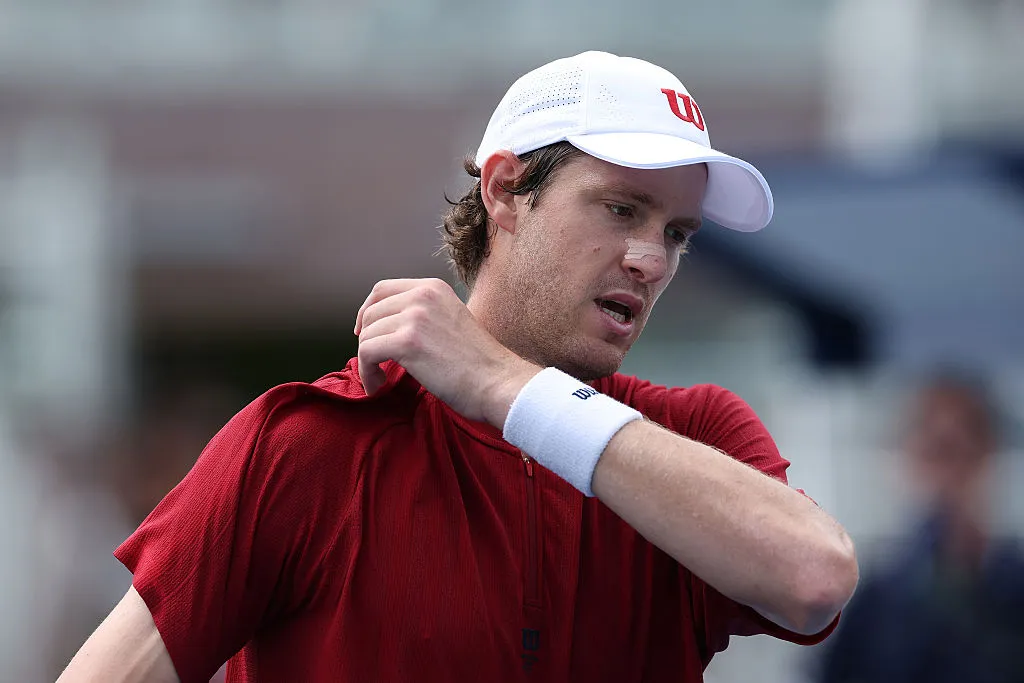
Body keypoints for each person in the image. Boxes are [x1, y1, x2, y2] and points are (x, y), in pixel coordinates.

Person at [59, 51, 858, 683]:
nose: (650, 258)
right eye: (621, 209)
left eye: (679, 232)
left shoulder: (695, 430)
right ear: (507, 192)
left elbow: (815, 573)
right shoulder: (308, 444)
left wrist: (504, 384)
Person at [817, 370, 1024, 683]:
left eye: (957, 451)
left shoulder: (1013, 586)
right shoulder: (875, 599)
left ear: (987, 454)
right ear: (908, 459)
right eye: (933, 452)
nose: (946, 474)